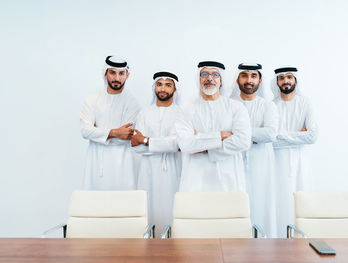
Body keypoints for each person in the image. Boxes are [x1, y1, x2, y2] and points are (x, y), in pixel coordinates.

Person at [176, 61, 251, 192]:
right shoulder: (186, 108)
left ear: (221, 80)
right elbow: (185, 144)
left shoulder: (236, 107)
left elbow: (243, 141)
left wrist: (201, 143)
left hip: (228, 178)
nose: (209, 78)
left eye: (215, 75)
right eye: (204, 74)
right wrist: (221, 136)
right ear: (198, 79)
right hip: (195, 179)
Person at [131, 71, 183, 237]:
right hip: (148, 171)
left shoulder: (182, 114)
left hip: (174, 171)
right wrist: (165, 144)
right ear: (154, 87)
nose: (163, 88)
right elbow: (136, 147)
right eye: (159, 84)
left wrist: (146, 141)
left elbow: (177, 144)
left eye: (168, 85)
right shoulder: (144, 113)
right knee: (147, 210)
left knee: (172, 211)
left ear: (175, 89)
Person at [231, 63, 278, 237]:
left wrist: (239, 134)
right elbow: (222, 133)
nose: (249, 80)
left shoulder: (268, 106)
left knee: (260, 205)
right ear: (237, 79)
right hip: (232, 164)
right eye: (244, 75)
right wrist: (255, 135)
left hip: (261, 166)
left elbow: (271, 133)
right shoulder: (229, 105)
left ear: (260, 80)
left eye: (253, 76)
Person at [80, 55, 141, 190]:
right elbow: (85, 131)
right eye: (112, 72)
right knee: (94, 206)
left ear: (127, 75)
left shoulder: (133, 105)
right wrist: (115, 132)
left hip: (122, 165)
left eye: (121, 73)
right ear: (105, 73)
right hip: (95, 163)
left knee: (122, 206)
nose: (117, 78)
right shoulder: (91, 100)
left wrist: (97, 132)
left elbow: (125, 137)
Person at [271, 66, 318, 237]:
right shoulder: (271, 106)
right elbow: (270, 139)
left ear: (295, 80)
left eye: (289, 77)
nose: (285, 81)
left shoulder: (306, 103)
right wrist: (299, 134)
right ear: (277, 82)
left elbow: (312, 137)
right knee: (280, 203)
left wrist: (281, 135)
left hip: (301, 162)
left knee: (302, 203)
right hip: (277, 163)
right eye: (281, 78)